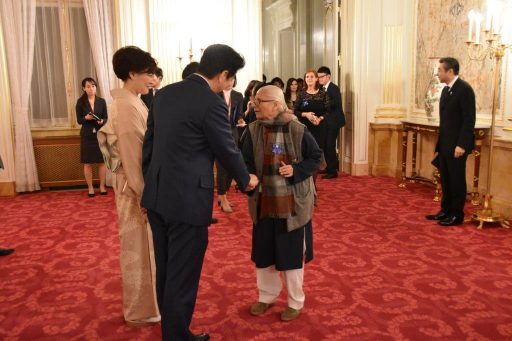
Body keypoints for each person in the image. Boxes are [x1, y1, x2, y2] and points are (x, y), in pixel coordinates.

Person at [141, 44, 259, 341]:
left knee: (167, 270)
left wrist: (151, 185)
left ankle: (174, 332)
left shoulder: (164, 94)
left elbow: (149, 147)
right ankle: (177, 337)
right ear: (223, 74)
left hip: (157, 196)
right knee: (183, 275)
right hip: (188, 202)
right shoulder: (212, 103)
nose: (232, 84)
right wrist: (246, 181)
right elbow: (227, 150)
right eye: (232, 78)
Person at [241, 85, 321, 322]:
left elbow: (316, 157)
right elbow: (243, 160)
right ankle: (266, 297)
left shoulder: (298, 129)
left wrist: (296, 169)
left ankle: (295, 301)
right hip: (263, 202)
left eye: (260, 101)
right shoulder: (253, 130)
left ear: (276, 104)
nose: (254, 104)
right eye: (254, 100)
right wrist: (248, 177)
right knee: (263, 255)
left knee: (291, 256)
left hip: (292, 206)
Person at [97, 46, 160, 326]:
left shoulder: (132, 100)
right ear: (132, 73)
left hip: (135, 184)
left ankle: (148, 305)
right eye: (147, 73)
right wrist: (144, 195)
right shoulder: (125, 105)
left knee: (146, 247)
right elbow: (133, 157)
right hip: (133, 188)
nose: (151, 79)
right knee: (137, 248)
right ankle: (140, 310)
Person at [426, 57, 476, 227]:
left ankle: (457, 214)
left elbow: (469, 120)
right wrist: (440, 146)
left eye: (440, 70)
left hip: (457, 146)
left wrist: (461, 145)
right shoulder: (446, 90)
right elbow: (446, 122)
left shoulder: (465, 90)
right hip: (446, 145)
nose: (437, 73)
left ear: (450, 71)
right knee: (446, 179)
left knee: (456, 180)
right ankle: (445, 210)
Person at [181, 61, 219, 225]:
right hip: (196, 166)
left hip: (177, 171)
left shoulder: (166, 97)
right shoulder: (211, 100)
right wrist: (244, 178)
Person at [294, 69, 330, 182]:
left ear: (316, 79)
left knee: (316, 155)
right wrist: (306, 114)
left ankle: (313, 182)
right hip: (304, 128)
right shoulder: (301, 94)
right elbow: (295, 111)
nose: (309, 79)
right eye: (307, 77)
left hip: (319, 128)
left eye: (311, 77)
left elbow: (328, 111)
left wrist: (320, 118)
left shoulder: (323, 93)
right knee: (304, 153)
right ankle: (305, 181)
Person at [216, 76, 245, 213]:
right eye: (228, 79)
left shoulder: (238, 95)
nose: (230, 82)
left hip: (232, 133)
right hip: (218, 132)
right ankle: (222, 196)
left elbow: (239, 114)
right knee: (222, 166)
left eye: (233, 79)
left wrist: (240, 120)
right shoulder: (215, 93)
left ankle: (224, 194)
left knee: (232, 165)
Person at [75, 77, 107, 197]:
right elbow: (79, 120)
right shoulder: (80, 102)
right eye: (88, 86)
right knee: (87, 163)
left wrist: (102, 121)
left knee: (102, 162)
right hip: (87, 135)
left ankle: (102, 186)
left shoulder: (102, 101)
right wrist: (86, 118)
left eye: (93, 86)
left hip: (99, 133)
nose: (91, 88)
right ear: (83, 88)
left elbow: (106, 117)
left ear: (96, 87)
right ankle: (90, 188)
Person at [317, 66, 345, 179]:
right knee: (325, 145)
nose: (319, 79)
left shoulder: (334, 88)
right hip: (326, 122)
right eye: (318, 77)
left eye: (321, 77)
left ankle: (333, 171)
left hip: (334, 121)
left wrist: (322, 103)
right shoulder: (322, 88)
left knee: (330, 146)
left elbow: (336, 103)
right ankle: (329, 168)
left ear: (328, 76)